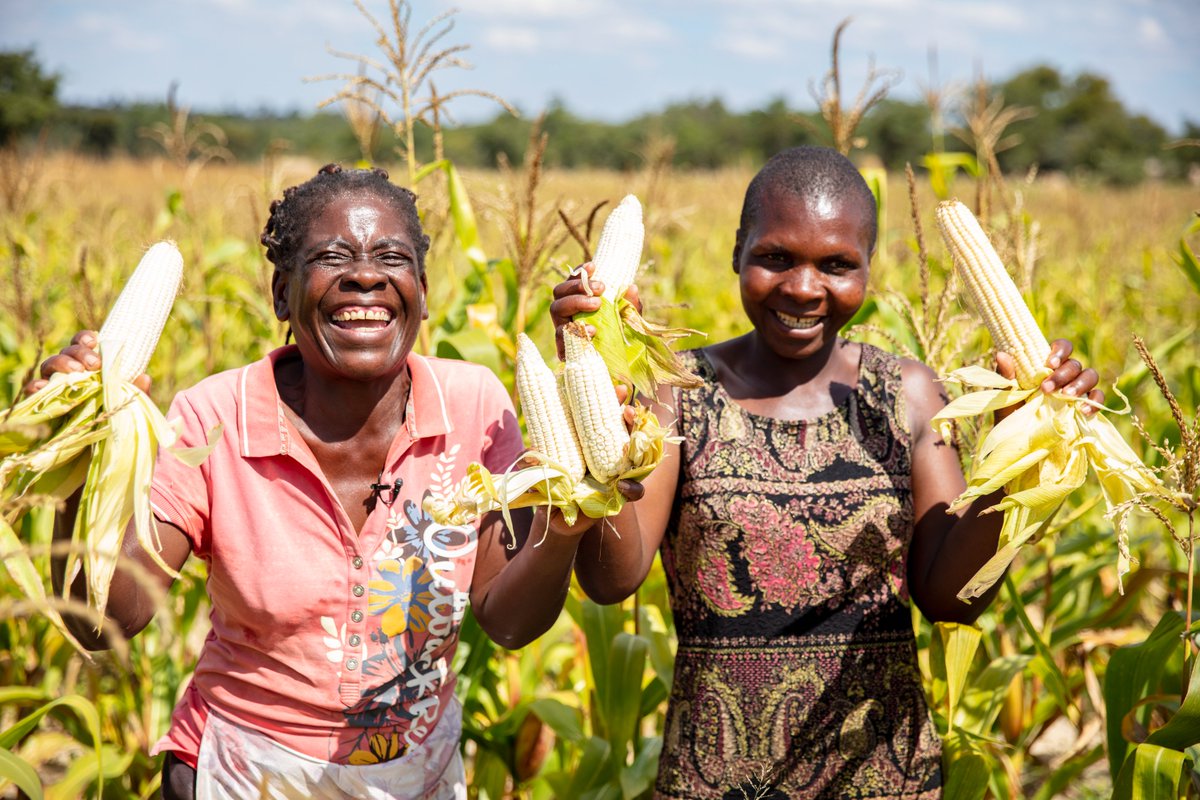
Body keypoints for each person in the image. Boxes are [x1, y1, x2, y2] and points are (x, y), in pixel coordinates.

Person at [33, 164, 605, 800]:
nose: (365, 274)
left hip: (417, 777)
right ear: (283, 294)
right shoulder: (213, 416)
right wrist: (76, 469)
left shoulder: (473, 406)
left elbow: (509, 622)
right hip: (241, 769)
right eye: (332, 256)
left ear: (422, 288)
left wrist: (562, 530)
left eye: (392, 256)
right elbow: (107, 622)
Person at [550, 146, 1103, 799]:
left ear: (869, 268)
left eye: (837, 265)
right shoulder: (678, 393)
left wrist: (1019, 454)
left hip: (883, 776)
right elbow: (610, 581)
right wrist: (589, 396)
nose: (804, 288)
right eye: (776, 258)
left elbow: (953, 597)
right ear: (738, 252)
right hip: (716, 779)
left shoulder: (910, 394)